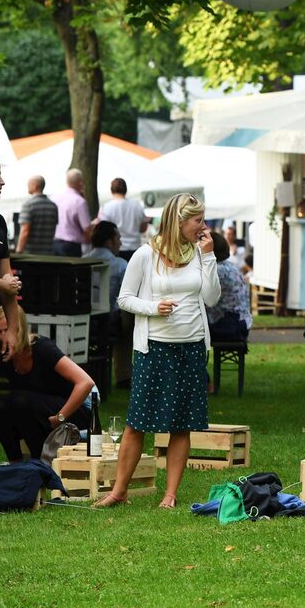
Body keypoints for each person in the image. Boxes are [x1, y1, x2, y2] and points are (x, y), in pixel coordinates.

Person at [98, 193, 220, 508]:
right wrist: (153, 307)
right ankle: (119, 491)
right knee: (137, 421)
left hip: (190, 347)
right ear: (178, 222)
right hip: (154, 348)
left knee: (181, 423)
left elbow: (211, 298)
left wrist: (208, 257)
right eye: (198, 221)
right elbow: (124, 298)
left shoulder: (199, 252)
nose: (202, 227)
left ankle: (170, 494)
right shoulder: (145, 254)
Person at [0, 306, 95, 462]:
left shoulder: (41, 348)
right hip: (34, 411)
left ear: (20, 327)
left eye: (7, 330)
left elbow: (86, 382)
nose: (4, 336)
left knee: (19, 399)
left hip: (70, 411)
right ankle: (15, 461)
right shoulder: (3, 355)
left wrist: (61, 416)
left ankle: (38, 461)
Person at [0, 155, 23, 360]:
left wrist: (13, 330)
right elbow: (5, 285)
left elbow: (6, 277)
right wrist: (4, 285)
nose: (2, 181)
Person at [206, 232, 251, 342]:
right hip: (241, 324)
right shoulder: (230, 266)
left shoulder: (216, 270)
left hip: (229, 326)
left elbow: (205, 299)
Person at [83, 220, 127, 322]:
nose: (120, 243)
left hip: (84, 316)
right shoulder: (120, 264)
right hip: (111, 318)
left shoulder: (82, 260)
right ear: (109, 242)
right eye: (118, 239)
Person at [97, 177, 150, 261]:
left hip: (116, 248)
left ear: (111, 191)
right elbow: (143, 229)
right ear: (126, 190)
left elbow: (104, 230)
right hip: (135, 247)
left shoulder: (107, 207)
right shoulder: (136, 205)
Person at [52, 168, 91, 257]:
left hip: (54, 244)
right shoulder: (79, 201)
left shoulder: (54, 198)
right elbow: (86, 228)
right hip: (71, 247)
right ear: (80, 183)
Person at [16, 175, 58, 255]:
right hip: (49, 254)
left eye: (29, 184)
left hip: (31, 255)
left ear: (35, 186)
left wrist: (19, 251)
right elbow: (54, 228)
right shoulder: (53, 206)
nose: (27, 186)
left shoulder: (28, 205)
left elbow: (25, 231)